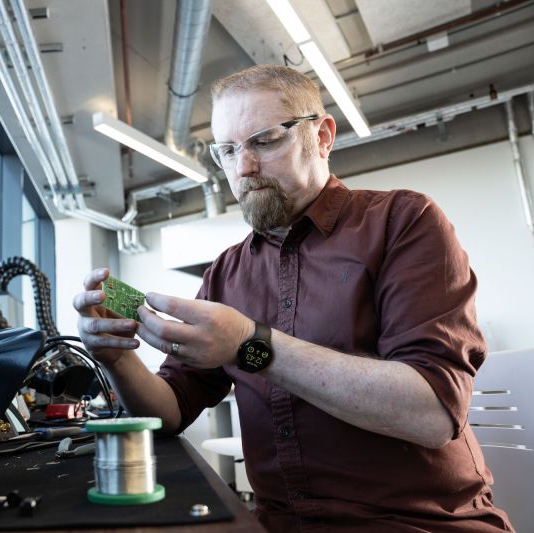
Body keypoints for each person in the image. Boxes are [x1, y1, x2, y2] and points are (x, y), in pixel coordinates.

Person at [74, 64, 513, 531]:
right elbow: (171, 412)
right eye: (227, 150)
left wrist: (250, 345)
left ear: (322, 136)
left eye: (265, 141)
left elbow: (433, 414)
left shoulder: (403, 222)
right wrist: (116, 359)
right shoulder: (226, 272)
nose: (243, 167)